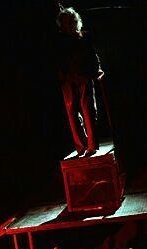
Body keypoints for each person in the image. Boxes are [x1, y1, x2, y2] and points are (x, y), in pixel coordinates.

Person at [56, 7, 104, 157]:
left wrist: (97, 69)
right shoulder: (61, 41)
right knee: (72, 112)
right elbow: (58, 60)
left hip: (84, 76)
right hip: (68, 79)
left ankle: (92, 145)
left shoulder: (84, 37)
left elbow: (93, 55)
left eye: (71, 21)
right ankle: (81, 145)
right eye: (66, 23)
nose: (69, 25)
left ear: (75, 21)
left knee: (88, 109)